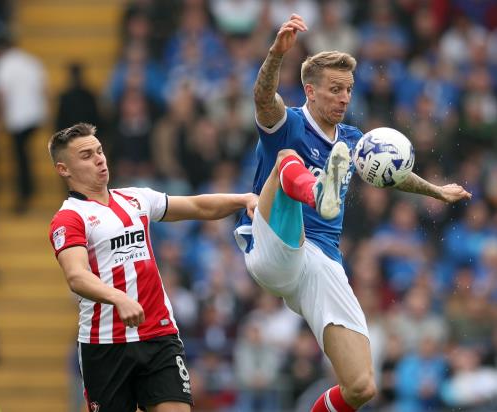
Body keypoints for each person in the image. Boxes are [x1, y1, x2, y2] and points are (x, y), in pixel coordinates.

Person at [234, 14, 472, 412]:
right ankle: (317, 191)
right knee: (287, 157)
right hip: (272, 242)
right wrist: (276, 54)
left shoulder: (353, 141)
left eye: (348, 89)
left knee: (361, 386)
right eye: (334, 89)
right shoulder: (287, 122)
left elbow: (394, 175)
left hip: (320, 261)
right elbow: (262, 97)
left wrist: (435, 190)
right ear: (310, 91)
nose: (344, 98)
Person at [47, 123, 257, 412]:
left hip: (159, 334)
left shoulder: (135, 198)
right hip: (106, 343)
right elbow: (76, 275)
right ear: (63, 169)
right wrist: (119, 298)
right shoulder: (69, 218)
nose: (99, 159)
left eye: (99, 151)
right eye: (86, 155)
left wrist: (243, 199)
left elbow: (198, 207)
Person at [0, 28, 47, 214]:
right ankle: (30, 188)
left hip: (17, 118)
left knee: (20, 158)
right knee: (24, 154)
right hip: (34, 116)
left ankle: (25, 193)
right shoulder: (30, 61)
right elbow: (42, 89)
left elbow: (1, 96)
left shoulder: (3, 65)